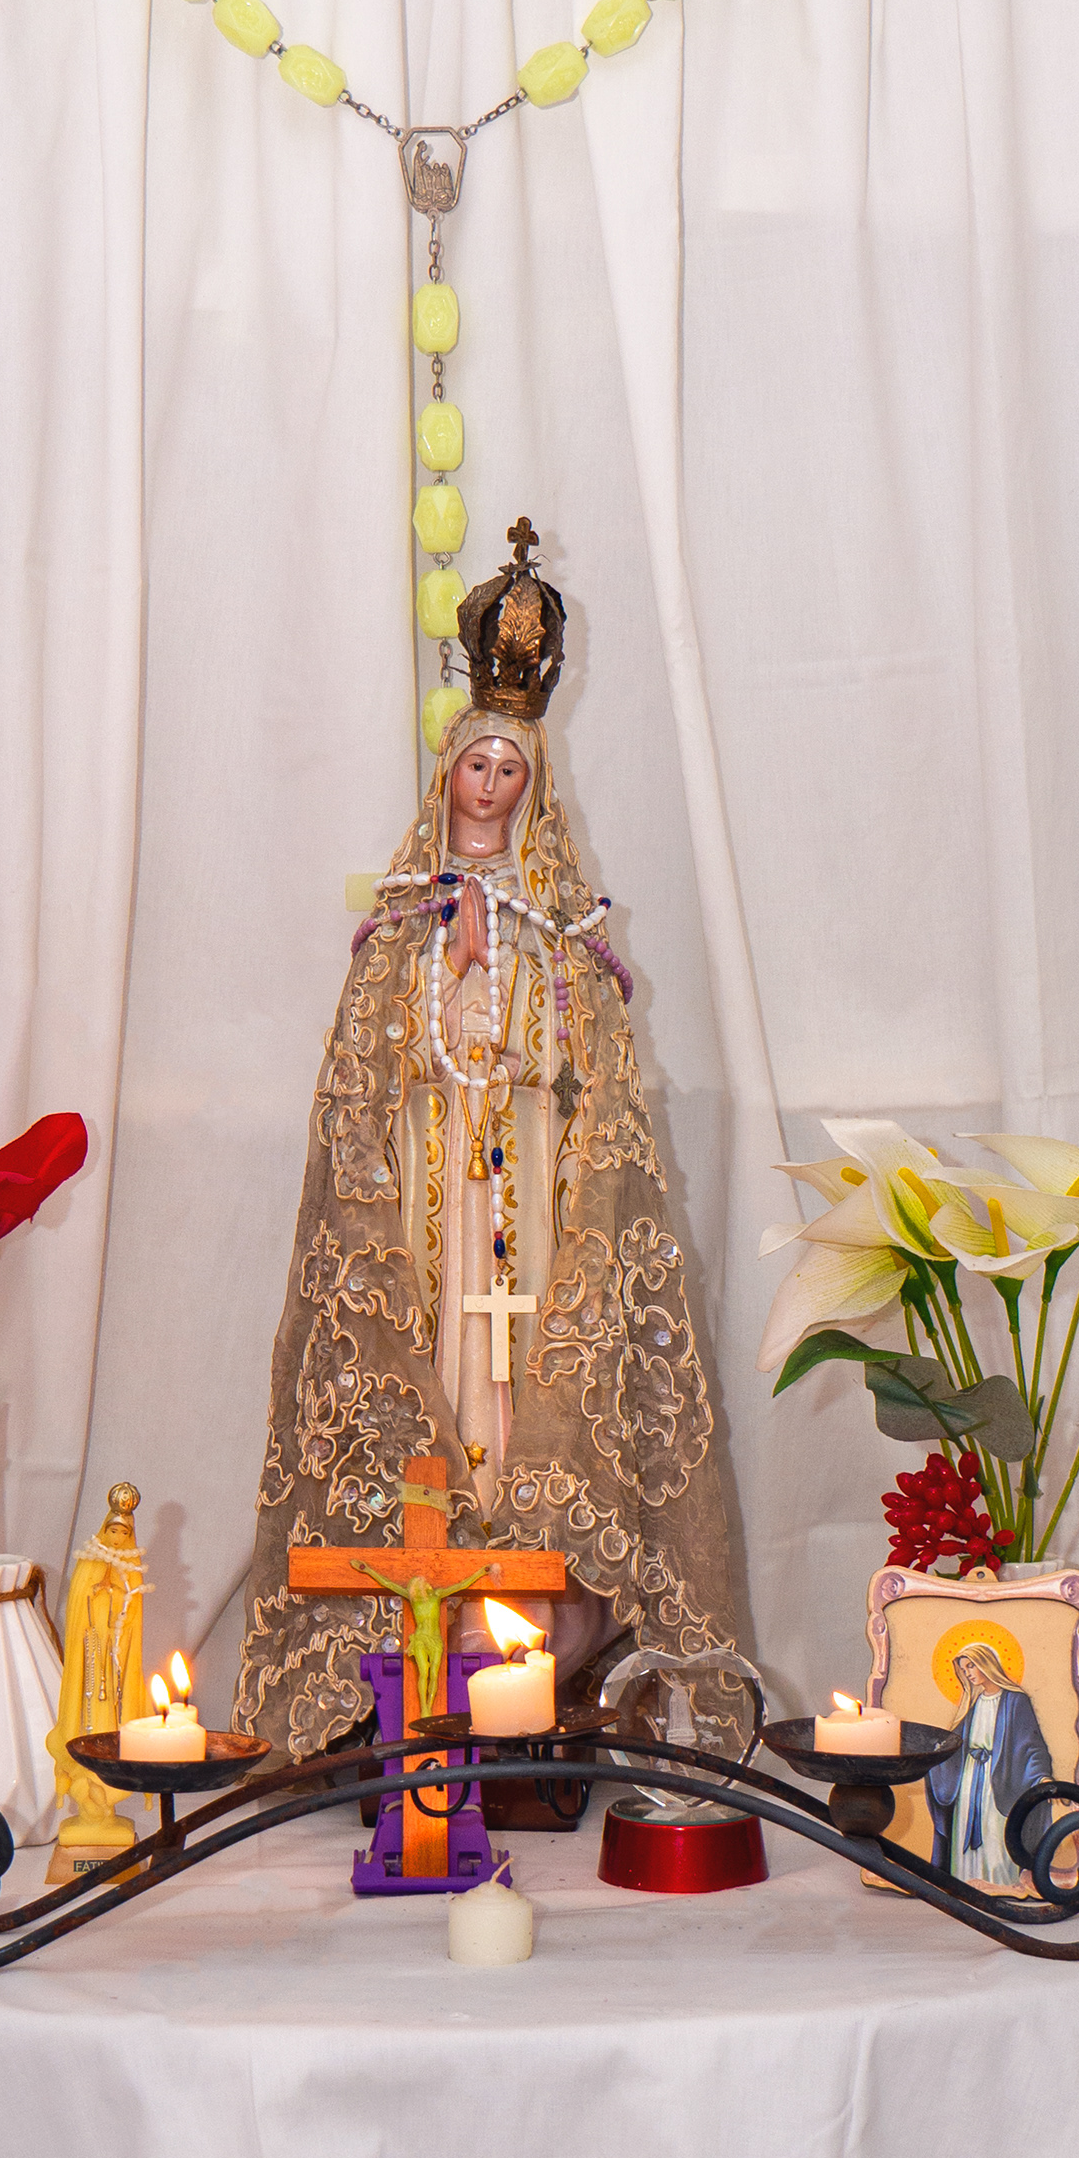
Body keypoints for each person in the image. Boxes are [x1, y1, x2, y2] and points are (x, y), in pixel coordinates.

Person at [235, 521, 737, 1757]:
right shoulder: (401, 923)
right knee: (435, 1361)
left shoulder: (565, 931)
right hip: (425, 1195)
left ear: (534, 785)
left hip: (523, 1197)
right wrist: (448, 973)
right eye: (478, 765)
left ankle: (521, 1612)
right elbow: (370, 1073)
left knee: (513, 1382)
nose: (493, 786)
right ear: (449, 774)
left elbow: (584, 1071)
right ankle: (422, 1609)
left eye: (513, 769)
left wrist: (527, 1010)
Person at [925, 1641, 1054, 1885]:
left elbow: (1031, 1744)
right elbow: (955, 1745)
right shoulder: (973, 1703)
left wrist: (1041, 1776)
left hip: (999, 1781)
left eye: (972, 1666)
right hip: (969, 1780)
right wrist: (933, 1756)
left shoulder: (1015, 1701)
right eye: (964, 1669)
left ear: (987, 1663)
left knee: (995, 1834)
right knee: (964, 1832)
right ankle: (965, 1882)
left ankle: (1001, 1886)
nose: (968, 1673)